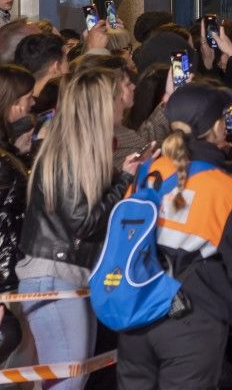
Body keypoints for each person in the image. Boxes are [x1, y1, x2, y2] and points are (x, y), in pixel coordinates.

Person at [116, 82, 232, 389]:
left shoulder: (147, 172)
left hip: (137, 312)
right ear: (214, 127)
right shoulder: (226, 189)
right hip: (193, 319)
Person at [15, 63, 143, 390]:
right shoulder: (69, 153)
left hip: (65, 273)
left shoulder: (76, 150)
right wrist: (124, 180)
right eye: (117, 98)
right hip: (54, 275)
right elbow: (84, 222)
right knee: (68, 382)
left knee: (73, 377)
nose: (123, 105)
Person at [0, 63, 32, 361]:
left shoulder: (9, 155)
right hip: (10, 285)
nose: (33, 104)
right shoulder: (4, 164)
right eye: (27, 100)